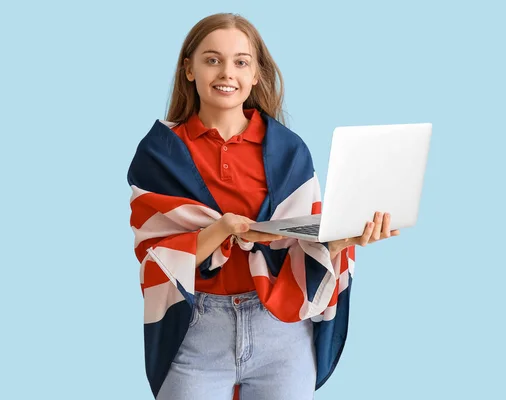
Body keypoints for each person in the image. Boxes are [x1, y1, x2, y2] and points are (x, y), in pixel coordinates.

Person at [127, 12, 399, 400]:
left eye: (241, 62)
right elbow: (154, 256)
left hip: (281, 331)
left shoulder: (289, 151)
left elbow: (307, 239)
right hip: (197, 330)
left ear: (256, 74)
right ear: (189, 69)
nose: (227, 73)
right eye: (212, 59)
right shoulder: (159, 154)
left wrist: (341, 240)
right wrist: (221, 230)